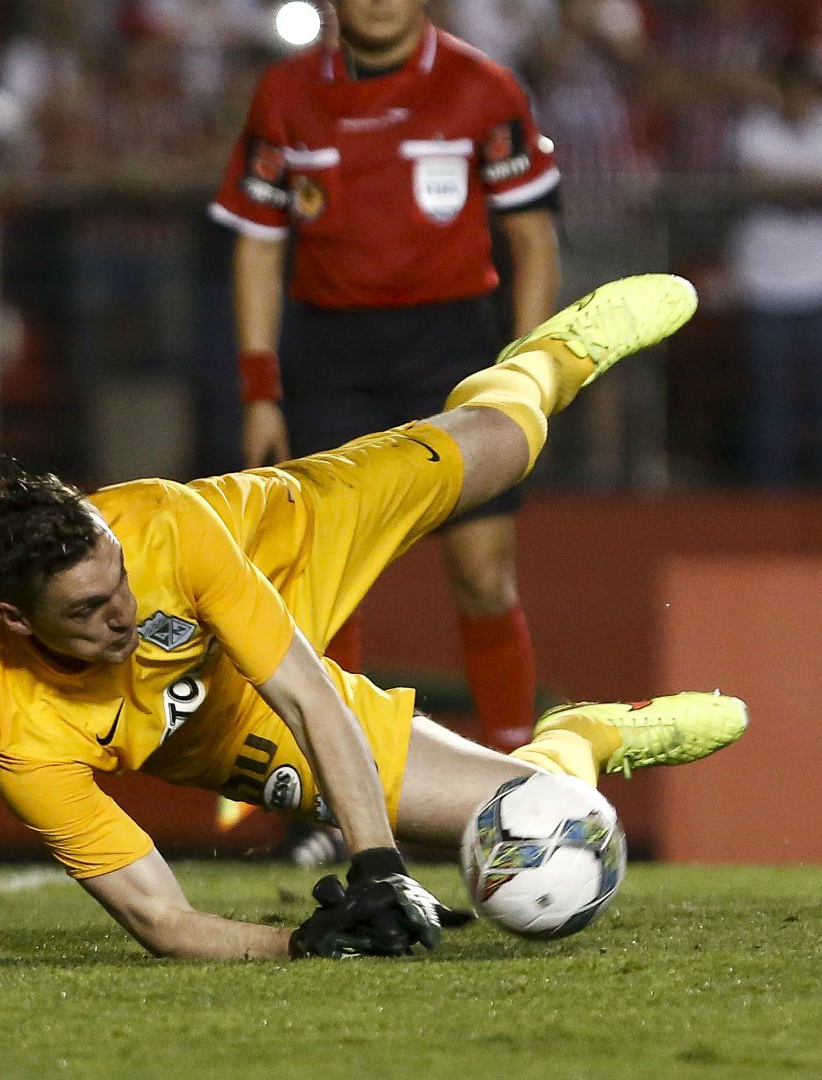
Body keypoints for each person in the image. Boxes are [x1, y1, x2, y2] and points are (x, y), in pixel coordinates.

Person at [0, 274, 746, 960]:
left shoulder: (165, 526)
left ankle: (553, 356)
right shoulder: (13, 724)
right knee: (533, 815)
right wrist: (305, 944)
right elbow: (161, 919)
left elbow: (307, 696)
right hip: (235, 720)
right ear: (20, 623)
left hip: (289, 537)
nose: (123, 614)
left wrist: (379, 866)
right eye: (88, 609)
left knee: (502, 446)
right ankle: (583, 736)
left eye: (119, 582)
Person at [213, 0, 561, 753]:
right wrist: (260, 391)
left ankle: (518, 771)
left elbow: (533, 239)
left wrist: (529, 371)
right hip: (332, 358)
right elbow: (259, 247)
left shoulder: (483, 87)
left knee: (482, 576)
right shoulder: (285, 93)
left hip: (455, 352)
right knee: (328, 589)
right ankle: (333, 786)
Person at [728, 53, 822, 487]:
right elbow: (753, 182)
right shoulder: (754, 128)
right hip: (765, 283)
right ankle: (771, 493)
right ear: (780, 91)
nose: (799, 99)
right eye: (791, 90)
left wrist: (790, 185)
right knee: (771, 398)